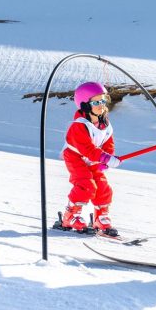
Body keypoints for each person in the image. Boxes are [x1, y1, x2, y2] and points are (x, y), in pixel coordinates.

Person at [58, 82, 121, 236]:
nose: (101, 105)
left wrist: (107, 158)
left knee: (102, 185)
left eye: (103, 100)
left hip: (93, 158)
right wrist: (105, 158)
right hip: (75, 157)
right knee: (85, 184)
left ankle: (101, 216)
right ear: (85, 105)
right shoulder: (79, 125)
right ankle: (71, 215)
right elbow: (87, 148)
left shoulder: (104, 123)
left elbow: (107, 143)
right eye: (96, 102)